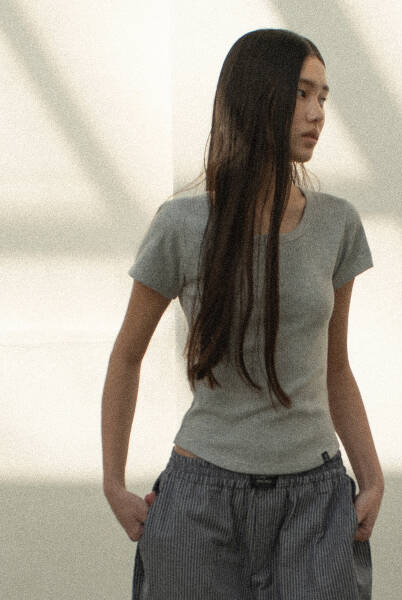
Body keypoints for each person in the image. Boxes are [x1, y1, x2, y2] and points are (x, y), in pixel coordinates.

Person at [101, 28, 384, 599]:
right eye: (302, 93)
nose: (317, 113)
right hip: (200, 502)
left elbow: (335, 367)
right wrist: (113, 482)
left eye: (323, 97)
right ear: (258, 96)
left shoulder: (337, 224)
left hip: (315, 503)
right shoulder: (181, 226)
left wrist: (372, 477)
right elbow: (127, 356)